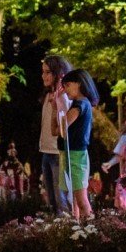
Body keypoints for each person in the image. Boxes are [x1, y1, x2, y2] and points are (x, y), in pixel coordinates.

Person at [61, 70, 98, 222]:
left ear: (79, 84)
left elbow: (62, 128)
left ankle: (90, 229)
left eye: (68, 85)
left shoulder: (80, 105)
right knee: (75, 200)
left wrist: (58, 107)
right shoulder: (81, 104)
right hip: (72, 153)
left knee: (81, 200)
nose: (65, 90)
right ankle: (80, 229)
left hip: (77, 155)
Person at [37, 55, 70, 213]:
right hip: (46, 151)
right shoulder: (48, 95)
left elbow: (65, 127)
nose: (44, 76)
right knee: (52, 200)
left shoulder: (63, 97)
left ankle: (67, 232)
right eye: (43, 72)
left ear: (58, 73)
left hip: (58, 153)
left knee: (61, 199)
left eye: (48, 72)